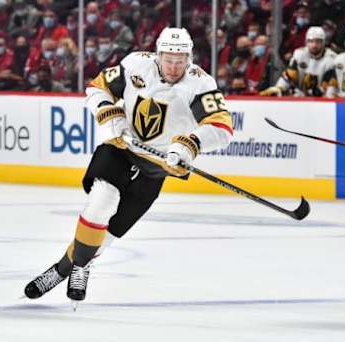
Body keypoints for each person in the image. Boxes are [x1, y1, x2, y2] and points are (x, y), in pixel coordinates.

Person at [24, 27, 233, 304]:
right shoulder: (136, 64)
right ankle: (80, 268)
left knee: (110, 232)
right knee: (102, 201)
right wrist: (112, 117)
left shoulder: (200, 84)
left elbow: (221, 127)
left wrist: (187, 145)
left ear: (190, 58)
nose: (173, 66)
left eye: (180, 60)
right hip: (122, 148)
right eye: (169, 59)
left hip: (158, 166)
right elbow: (97, 87)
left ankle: (66, 268)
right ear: (158, 54)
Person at [261, 26, 337, 97]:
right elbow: (288, 76)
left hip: (323, 102)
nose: (314, 45)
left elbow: (325, 87)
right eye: (311, 41)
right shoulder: (299, 54)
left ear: (323, 42)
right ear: (306, 42)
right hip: (300, 98)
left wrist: (302, 94)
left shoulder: (332, 59)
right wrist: (279, 88)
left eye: (318, 42)